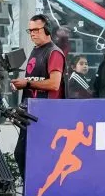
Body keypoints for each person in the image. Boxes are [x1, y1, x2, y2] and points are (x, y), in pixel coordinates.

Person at [11, 14, 66, 177]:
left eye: (36, 29)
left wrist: (27, 83)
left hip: (46, 114)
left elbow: (54, 84)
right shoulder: (36, 51)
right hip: (31, 112)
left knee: (31, 157)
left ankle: (36, 191)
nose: (33, 33)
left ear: (47, 29)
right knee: (22, 155)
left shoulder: (54, 52)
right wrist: (20, 84)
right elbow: (34, 81)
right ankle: (31, 191)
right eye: (30, 30)